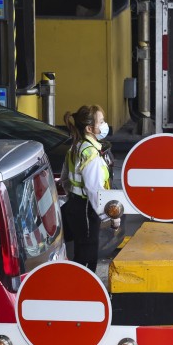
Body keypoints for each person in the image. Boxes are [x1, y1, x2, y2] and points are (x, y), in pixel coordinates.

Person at [59, 104, 115, 271]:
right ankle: (80, 290)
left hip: (76, 206)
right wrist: (108, 215)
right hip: (86, 209)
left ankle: (77, 289)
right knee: (87, 257)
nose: (105, 125)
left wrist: (73, 198)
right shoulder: (91, 154)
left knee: (81, 251)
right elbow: (94, 191)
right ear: (90, 128)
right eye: (102, 121)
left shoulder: (76, 147)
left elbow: (65, 179)